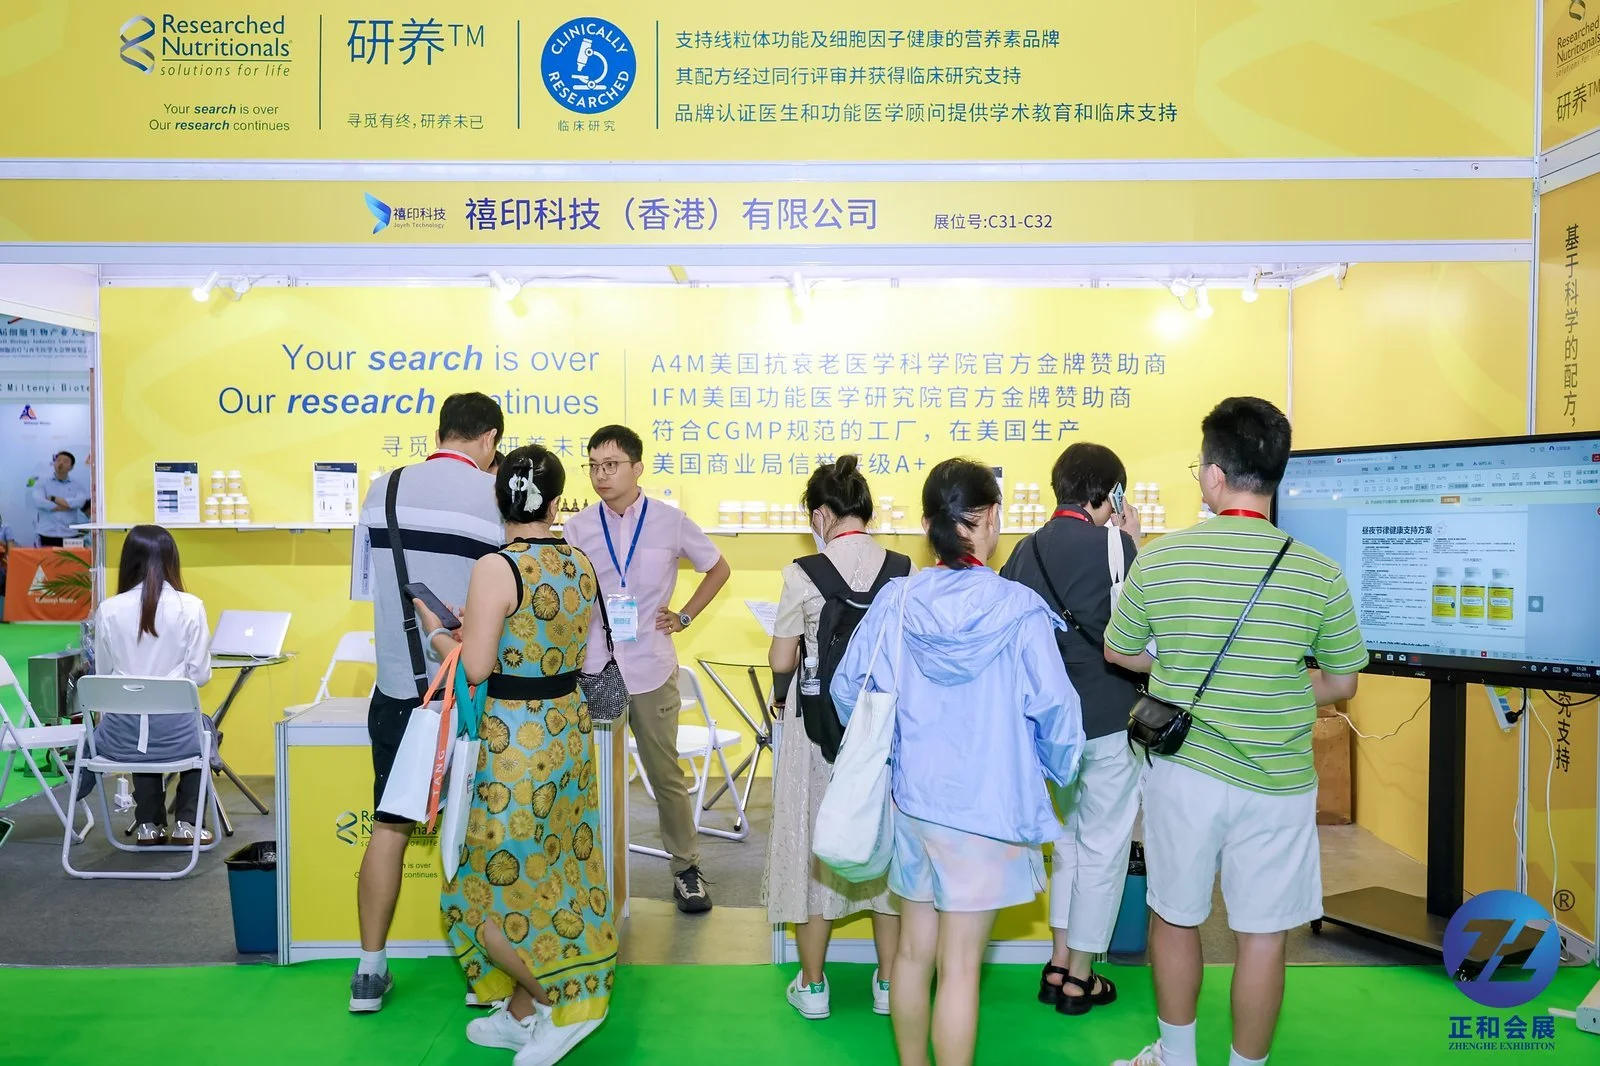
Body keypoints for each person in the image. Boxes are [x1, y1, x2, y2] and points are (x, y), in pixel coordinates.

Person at [1104, 397, 1368, 1066]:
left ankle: (1179, 1057)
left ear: (1216, 476)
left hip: (1183, 774)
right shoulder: (1319, 572)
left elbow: (1121, 652)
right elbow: (1340, 683)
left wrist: (1181, 663)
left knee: (1174, 915)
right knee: (1262, 935)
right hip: (1277, 782)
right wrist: (1278, 680)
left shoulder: (1160, 561)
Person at [832, 458, 1086, 1066]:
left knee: (913, 956)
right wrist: (1052, 769)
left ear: (928, 524)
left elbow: (849, 691)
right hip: (988, 811)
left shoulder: (897, 600)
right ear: (991, 519)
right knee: (962, 967)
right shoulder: (1019, 609)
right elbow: (1059, 715)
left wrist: (895, 751)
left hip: (914, 804)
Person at [415, 445, 616, 1066]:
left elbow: (475, 665)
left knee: (494, 880)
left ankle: (559, 1003)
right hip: (567, 731)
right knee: (562, 864)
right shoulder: (580, 563)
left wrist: (434, 628)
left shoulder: (495, 568)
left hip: (512, 744)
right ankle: (526, 1010)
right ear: (558, 502)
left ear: (498, 499)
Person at [350, 391, 506, 1014]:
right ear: (490, 438)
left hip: (397, 691)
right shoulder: (493, 500)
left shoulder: (381, 489)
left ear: (440, 431)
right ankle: (482, 975)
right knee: (476, 833)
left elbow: (370, 590)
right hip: (469, 695)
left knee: (388, 828)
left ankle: (369, 971)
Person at [999, 443, 1143, 1015]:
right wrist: (1137, 546)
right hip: (1108, 718)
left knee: (1067, 844)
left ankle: (1057, 962)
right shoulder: (1118, 545)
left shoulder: (1023, 550)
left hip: (1046, 726)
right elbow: (1140, 631)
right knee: (1103, 847)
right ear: (1107, 495)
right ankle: (1080, 977)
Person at [564, 425, 732, 914]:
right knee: (590, 775)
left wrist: (684, 615)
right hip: (594, 666)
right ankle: (590, 873)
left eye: (612, 464)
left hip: (653, 666)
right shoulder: (578, 528)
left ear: (638, 467)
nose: (601, 474)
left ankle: (686, 870)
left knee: (666, 776)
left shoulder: (670, 521)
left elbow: (718, 568)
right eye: (594, 465)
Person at [765, 455, 906, 1021]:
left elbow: (782, 657)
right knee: (885, 844)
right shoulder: (902, 568)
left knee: (812, 837)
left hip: (817, 728)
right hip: (880, 728)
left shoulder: (803, 573)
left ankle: (815, 986)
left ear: (822, 514)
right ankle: (890, 986)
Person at [90, 525, 214, 847]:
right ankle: (187, 823)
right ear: (172, 560)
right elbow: (199, 676)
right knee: (204, 731)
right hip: (177, 738)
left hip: (120, 740)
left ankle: (148, 824)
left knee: (140, 725)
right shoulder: (191, 607)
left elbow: (102, 680)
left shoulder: (108, 610)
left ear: (128, 560)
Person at [32, 451, 90, 547]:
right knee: (47, 561)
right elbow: (39, 502)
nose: (61, 463)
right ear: (54, 463)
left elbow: (79, 502)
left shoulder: (77, 485)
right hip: (46, 533)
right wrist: (66, 506)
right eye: (58, 460)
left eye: (65, 461)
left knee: (70, 562)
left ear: (71, 467)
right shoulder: (42, 483)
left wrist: (53, 498)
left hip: (69, 534)